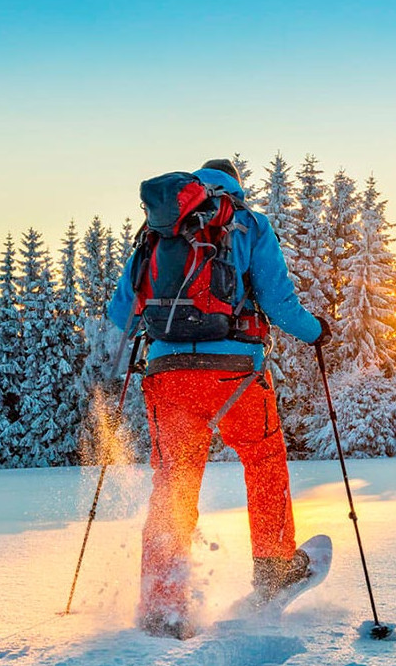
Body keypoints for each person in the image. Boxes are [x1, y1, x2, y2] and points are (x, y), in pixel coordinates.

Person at [108, 158, 332, 639]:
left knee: (174, 483)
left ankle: (162, 606)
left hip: (168, 377)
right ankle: (274, 567)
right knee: (263, 458)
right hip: (236, 375)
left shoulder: (157, 231)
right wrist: (316, 333)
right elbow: (277, 302)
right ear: (235, 187)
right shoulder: (248, 223)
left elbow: (121, 311)